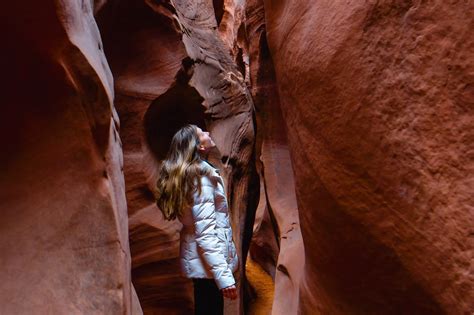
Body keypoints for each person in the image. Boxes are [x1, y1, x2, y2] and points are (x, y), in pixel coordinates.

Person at [155, 124, 239, 315]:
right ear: (199, 146)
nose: (208, 133)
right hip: (207, 264)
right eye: (203, 133)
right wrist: (224, 278)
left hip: (201, 264)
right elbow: (206, 234)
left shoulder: (190, 176)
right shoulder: (201, 180)